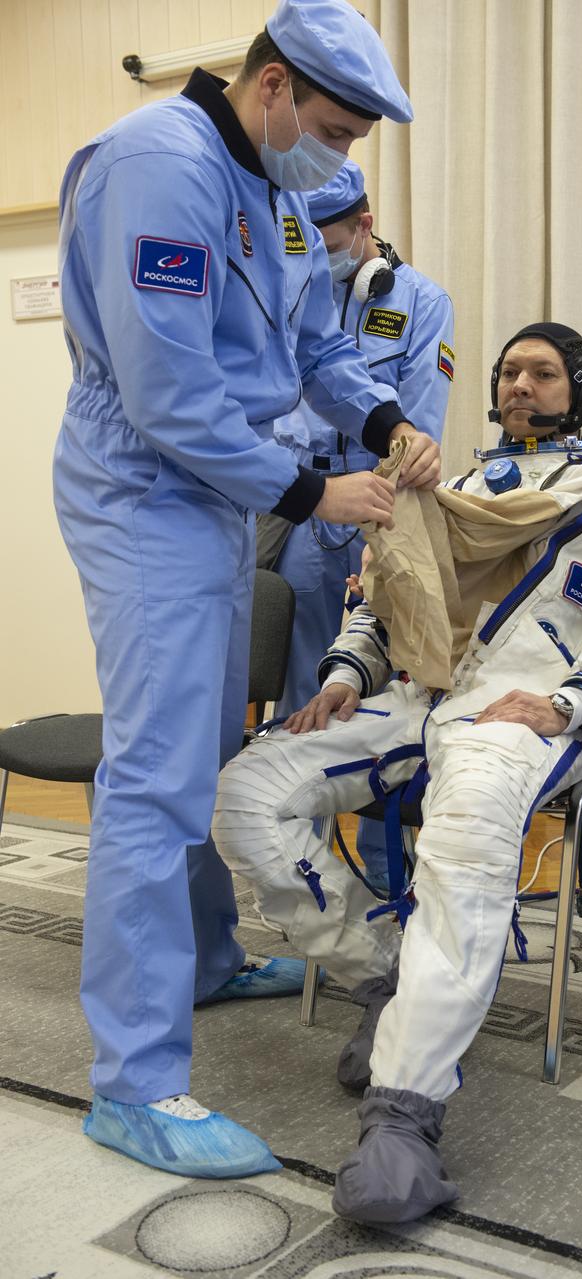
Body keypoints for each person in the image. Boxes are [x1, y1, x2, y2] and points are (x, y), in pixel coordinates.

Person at [52, 0, 441, 1180]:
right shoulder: (154, 170)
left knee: (206, 747)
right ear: (269, 87)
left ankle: (210, 958)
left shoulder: (271, 190)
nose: (338, 157)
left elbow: (312, 347)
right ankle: (131, 1082)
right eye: (329, 127)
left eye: (354, 143)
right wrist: (311, 496)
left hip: (215, 498)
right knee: (155, 781)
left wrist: (382, 418)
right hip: (145, 495)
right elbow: (167, 394)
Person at [213, 322, 582, 1219]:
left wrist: (573, 700)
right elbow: (383, 602)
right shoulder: (447, 489)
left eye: (543, 372)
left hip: (527, 707)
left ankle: (403, 1113)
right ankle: (386, 968)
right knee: (250, 790)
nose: (521, 384)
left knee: (467, 832)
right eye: (509, 371)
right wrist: (340, 676)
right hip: (418, 691)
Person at [267, 157, 454, 886]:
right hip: (304, 503)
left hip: (382, 508)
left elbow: (417, 430)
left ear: (364, 225)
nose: (316, 249)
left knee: (381, 695)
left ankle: (386, 878)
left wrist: (381, 516)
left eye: (328, 233)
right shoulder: (291, 296)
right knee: (307, 699)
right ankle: (301, 875)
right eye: (302, 237)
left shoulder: (420, 301)